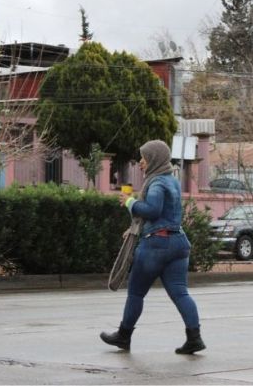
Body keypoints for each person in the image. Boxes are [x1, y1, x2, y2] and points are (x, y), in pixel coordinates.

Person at [99, 139, 206, 355]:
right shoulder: (173, 181)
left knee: (136, 293)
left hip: (156, 245)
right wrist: (136, 229)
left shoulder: (156, 183)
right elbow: (166, 214)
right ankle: (194, 338)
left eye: (144, 158)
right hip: (178, 242)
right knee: (181, 293)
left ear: (154, 160)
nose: (140, 162)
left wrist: (129, 202)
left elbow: (153, 210)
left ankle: (124, 335)